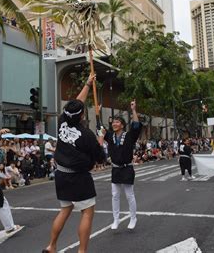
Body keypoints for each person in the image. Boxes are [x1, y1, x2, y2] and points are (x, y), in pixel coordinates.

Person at [43, 74, 105, 253]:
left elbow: (77, 103)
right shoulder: (87, 135)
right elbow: (100, 157)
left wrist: (87, 83)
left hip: (61, 173)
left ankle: (51, 245)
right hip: (78, 177)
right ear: (82, 115)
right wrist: (101, 138)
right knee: (87, 212)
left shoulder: (62, 122)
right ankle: (82, 251)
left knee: (65, 209)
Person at [103, 100, 142, 230]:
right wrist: (98, 113)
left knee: (129, 194)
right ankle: (116, 219)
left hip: (127, 168)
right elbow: (100, 129)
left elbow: (136, 125)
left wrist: (133, 110)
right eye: (113, 122)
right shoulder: (109, 136)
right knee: (115, 195)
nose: (114, 123)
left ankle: (133, 217)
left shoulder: (129, 136)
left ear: (123, 125)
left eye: (117, 122)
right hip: (115, 169)